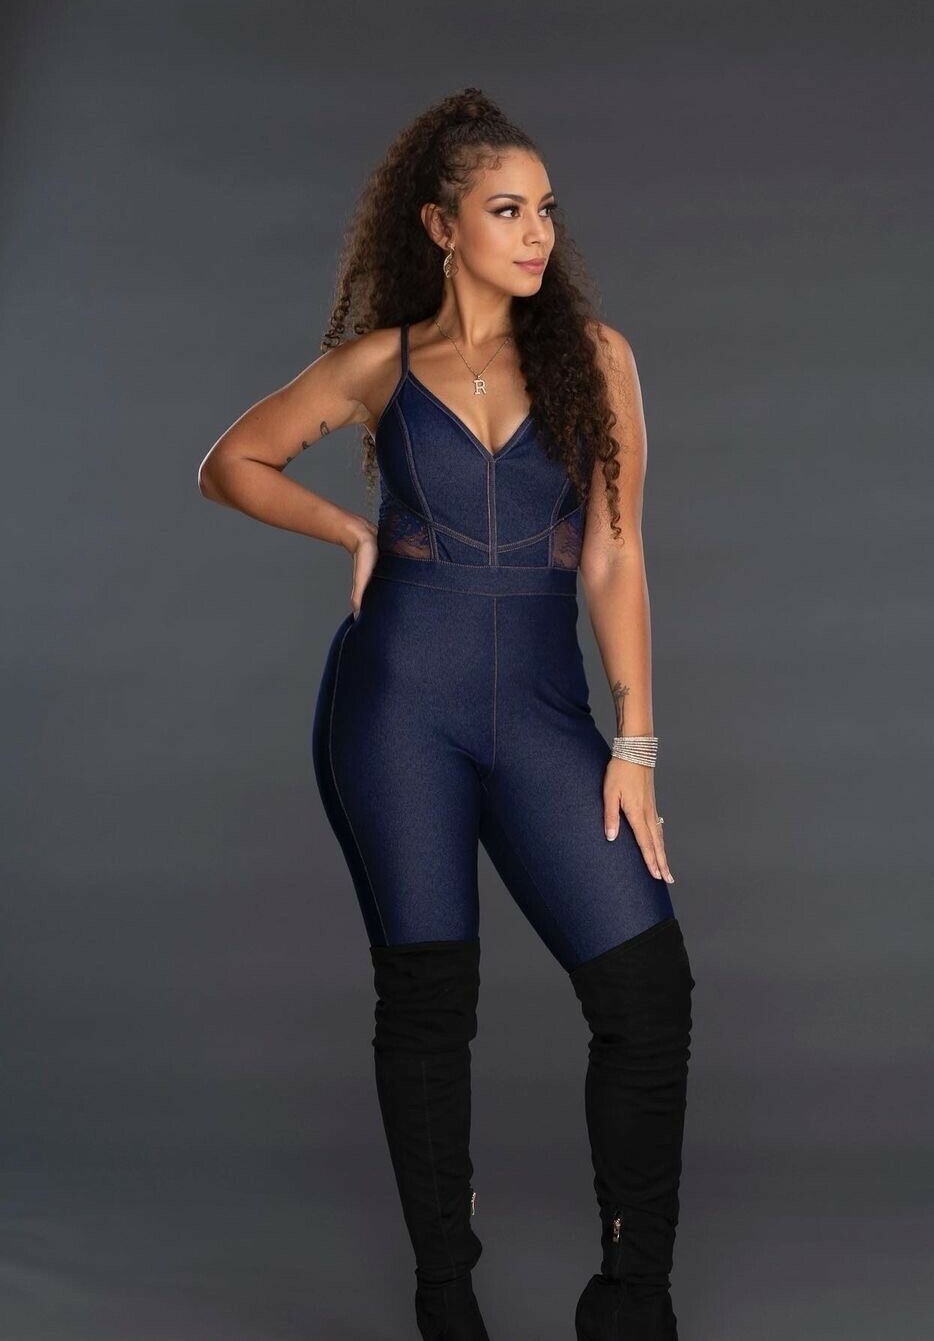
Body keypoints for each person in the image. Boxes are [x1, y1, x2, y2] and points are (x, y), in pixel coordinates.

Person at [197, 85, 696, 1341]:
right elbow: (231, 462)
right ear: (439, 224)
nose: (538, 234)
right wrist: (350, 528)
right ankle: (446, 1301)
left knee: (647, 994)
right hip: (395, 710)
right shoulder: (380, 365)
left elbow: (616, 557)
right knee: (428, 1000)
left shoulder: (595, 357)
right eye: (507, 210)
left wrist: (635, 743)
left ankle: (630, 1302)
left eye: (546, 211)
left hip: (540, 713)